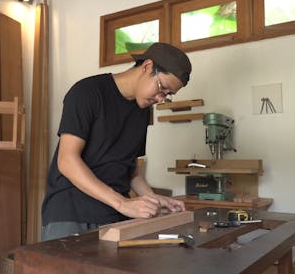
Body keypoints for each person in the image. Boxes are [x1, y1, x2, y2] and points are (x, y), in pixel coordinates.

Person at [41, 42, 192, 241]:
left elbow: (130, 168)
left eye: (167, 95)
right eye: (162, 88)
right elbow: (67, 161)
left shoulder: (142, 111)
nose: (161, 98)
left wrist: (153, 199)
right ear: (147, 66)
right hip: (72, 213)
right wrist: (122, 203)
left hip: (114, 215)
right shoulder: (87, 92)